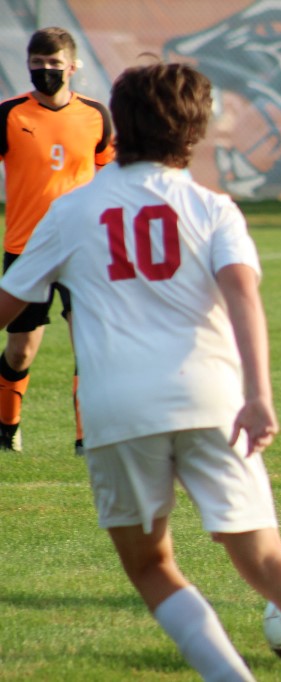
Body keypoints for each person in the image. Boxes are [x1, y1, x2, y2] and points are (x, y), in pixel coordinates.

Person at [0, 63, 281, 682]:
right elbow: (243, 298)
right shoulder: (213, 208)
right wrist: (259, 395)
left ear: (116, 125)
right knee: (264, 557)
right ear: (196, 131)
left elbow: (8, 305)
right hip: (213, 399)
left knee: (151, 565)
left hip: (119, 409)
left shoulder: (72, 211)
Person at [0, 27, 115, 453]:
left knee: (88, 342)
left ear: (72, 66)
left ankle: (87, 438)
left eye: (53, 63)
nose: (45, 70)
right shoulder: (9, 115)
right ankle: (6, 428)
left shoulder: (96, 116)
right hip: (25, 248)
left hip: (83, 249)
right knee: (20, 351)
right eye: (37, 63)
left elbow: (109, 174)